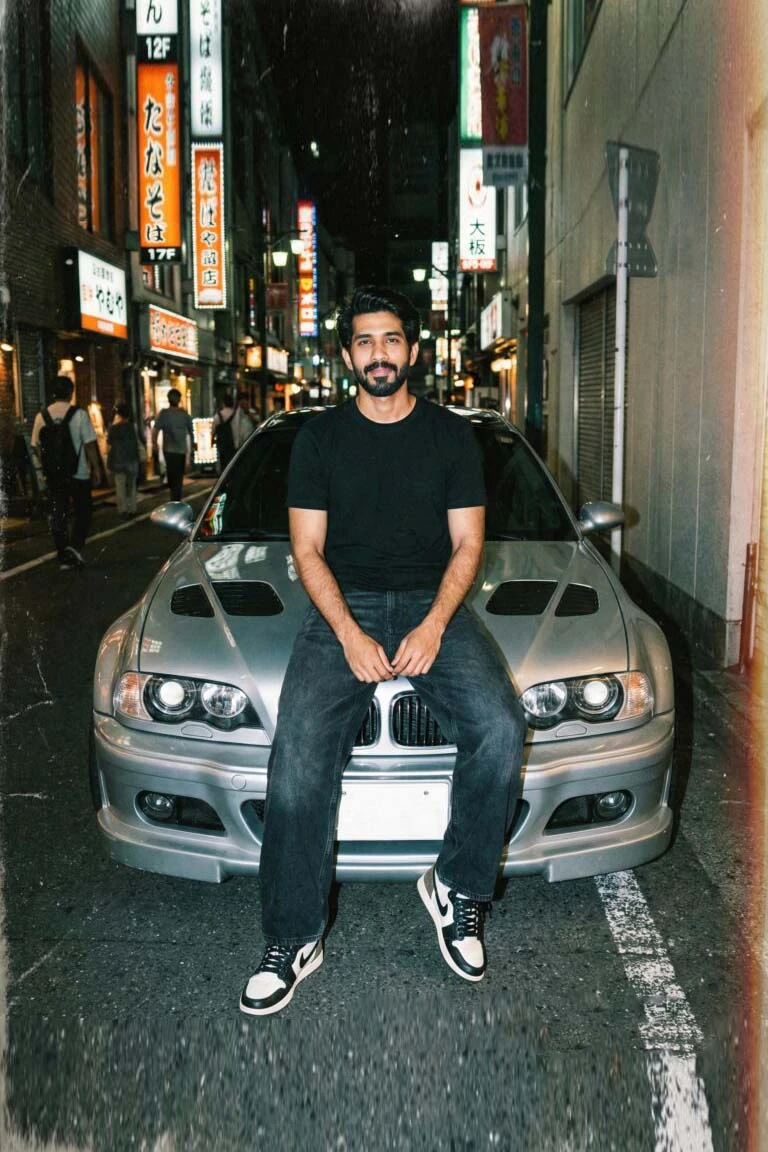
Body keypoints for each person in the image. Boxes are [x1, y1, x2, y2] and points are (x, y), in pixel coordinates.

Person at [240, 285, 525, 1017]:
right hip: (347, 603)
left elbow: (468, 544)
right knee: (299, 753)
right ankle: (294, 936)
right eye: (364, 342)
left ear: (412, 350)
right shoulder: (320, 440)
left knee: (498, 726)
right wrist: (349, 633)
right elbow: (307, 551)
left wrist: (432, 625)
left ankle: (457, 887)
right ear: (346, 356)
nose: (378, 354)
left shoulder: (449, 437)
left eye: (391, 340)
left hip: (435, 604)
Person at [30, 375, 101, 570]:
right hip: (79, 474)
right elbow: (90, 445)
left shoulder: (41, 416)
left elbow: (35, 447)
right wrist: (95, 468)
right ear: (71, 392)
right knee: (84, 512)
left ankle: (63, 553)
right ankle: (75, 547)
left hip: (54, 475)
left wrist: (47, 465)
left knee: (58, 514)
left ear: (53, 393)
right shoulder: (79, 414)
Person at [152, 387, 194, 501]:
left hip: (168, 450)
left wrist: (154, 444)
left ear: (168, 399)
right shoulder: (184, 414)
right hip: (181, 450)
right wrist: (193, 448)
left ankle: (173, 497)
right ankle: (177, 497)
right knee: (179, 476)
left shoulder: (164, 414)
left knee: (171, 473)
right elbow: (191, 431)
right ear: (179, 400)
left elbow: (155, 430)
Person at [107, 403, 141, 518]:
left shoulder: (114, 428)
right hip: (131, 459)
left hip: (118, 460)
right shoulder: (132, 427)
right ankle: (132, 508)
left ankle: (122, 510)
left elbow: (109, 442)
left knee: (120, 485)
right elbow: (136, 444)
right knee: (131, 486)